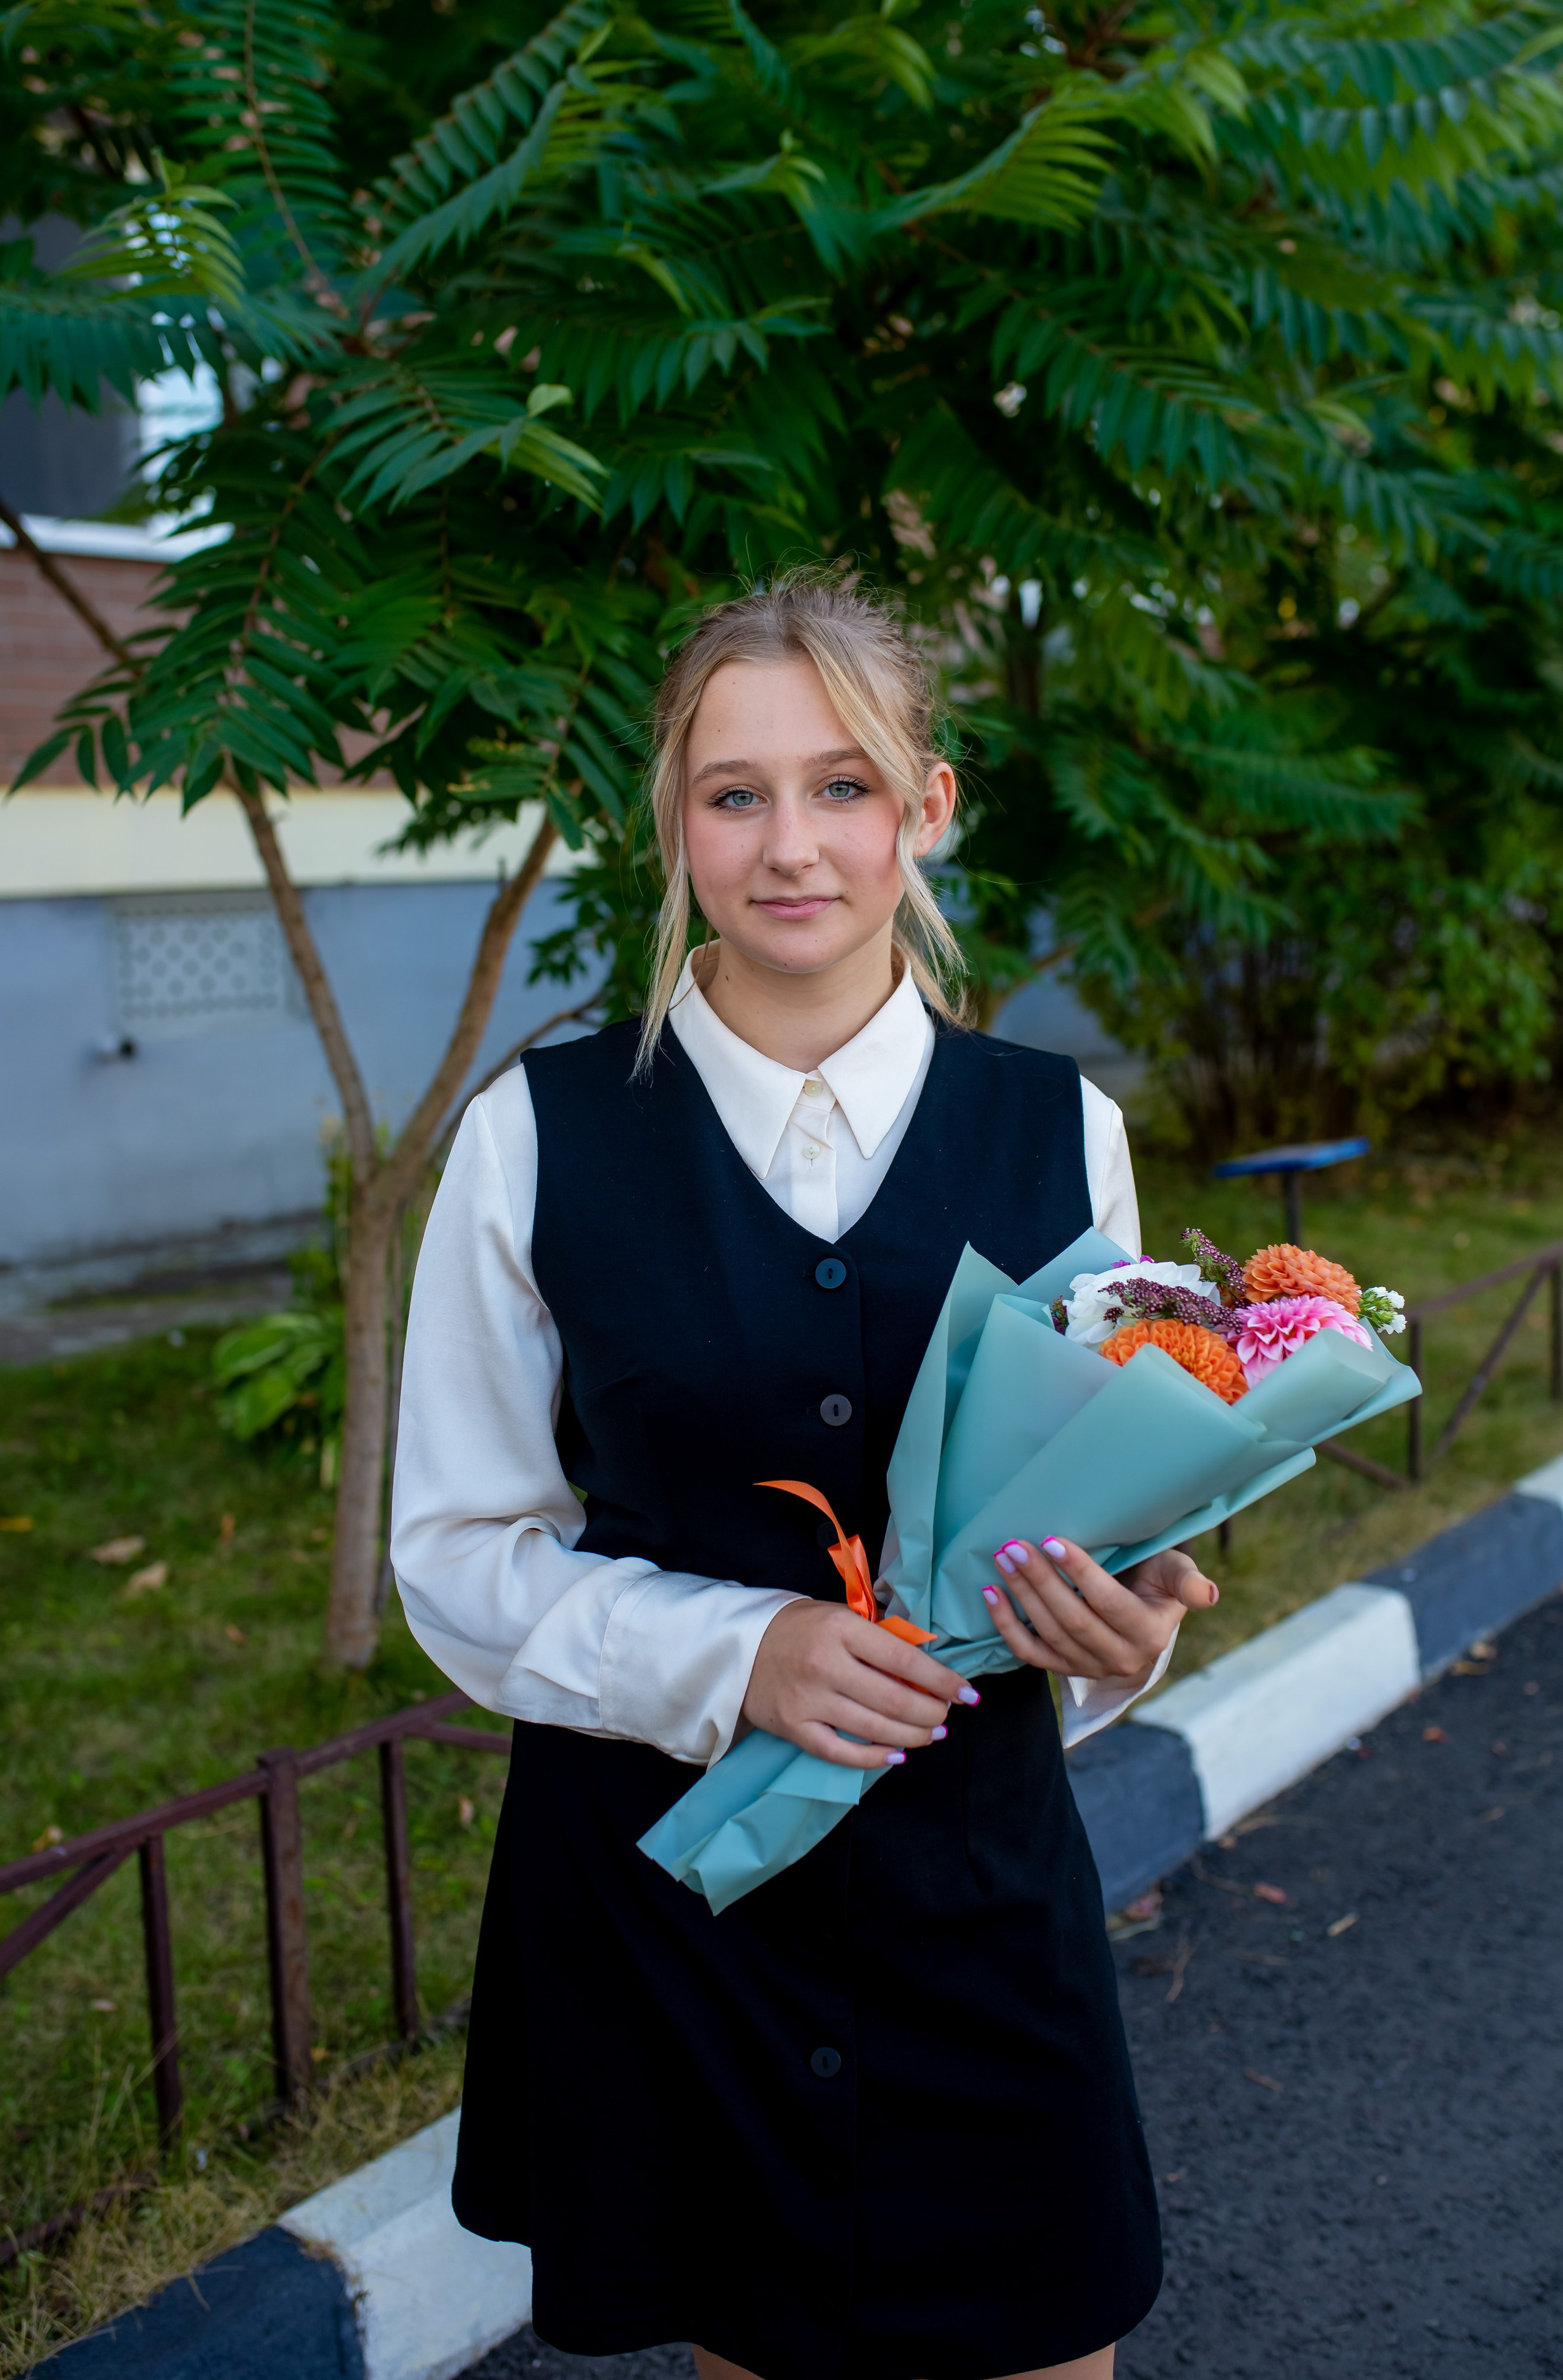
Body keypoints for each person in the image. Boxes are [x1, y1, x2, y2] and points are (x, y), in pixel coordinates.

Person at [392, 573, 1219, 2380]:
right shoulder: (537, 1137)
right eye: (734, 791)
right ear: (673, 819)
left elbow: (1080, 1523)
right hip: (682, 1928)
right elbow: (456, 1552)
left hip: (982, 1908)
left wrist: (1119, 1632)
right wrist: (732, 1655)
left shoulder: (1060, 1128)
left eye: (844, 785)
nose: (791, 846)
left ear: (927, 806)